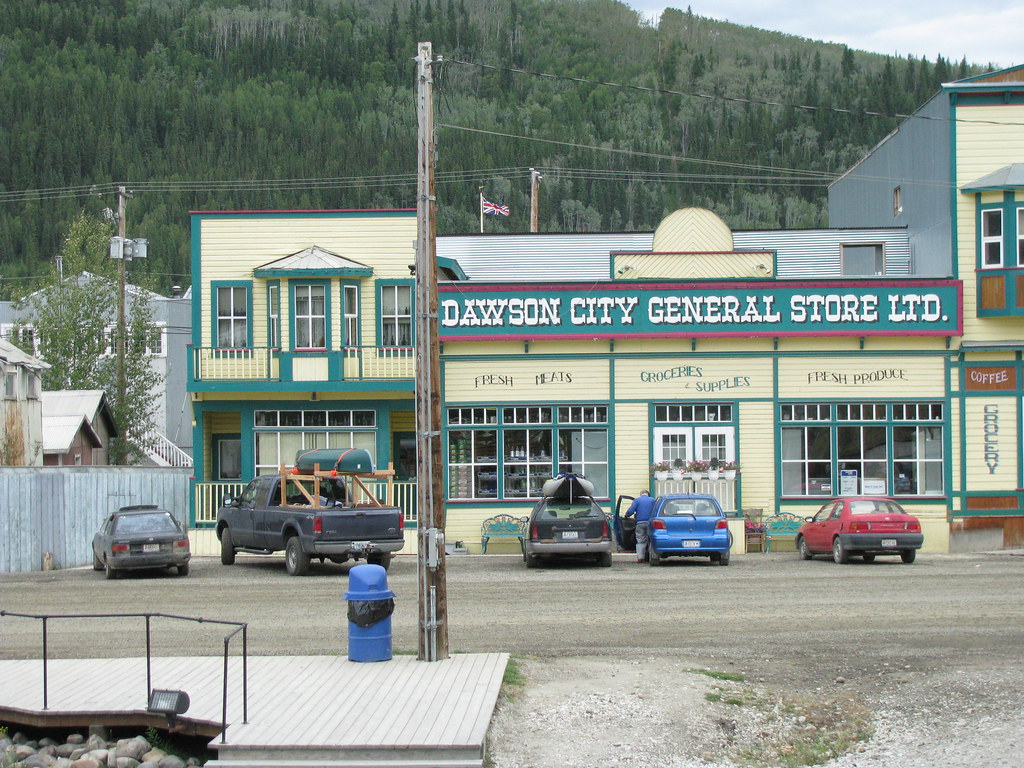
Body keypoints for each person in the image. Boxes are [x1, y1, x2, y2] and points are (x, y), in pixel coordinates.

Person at [625, 490, 656, 563]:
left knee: (640, 540)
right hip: (650, 523)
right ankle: (652, 556)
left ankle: (640, 557)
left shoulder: (637, 500)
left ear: (641, 494)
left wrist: (626, 515)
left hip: (640, 523)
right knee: (651, 540)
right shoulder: (653, 500)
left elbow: (630, 511)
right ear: (648, 494)